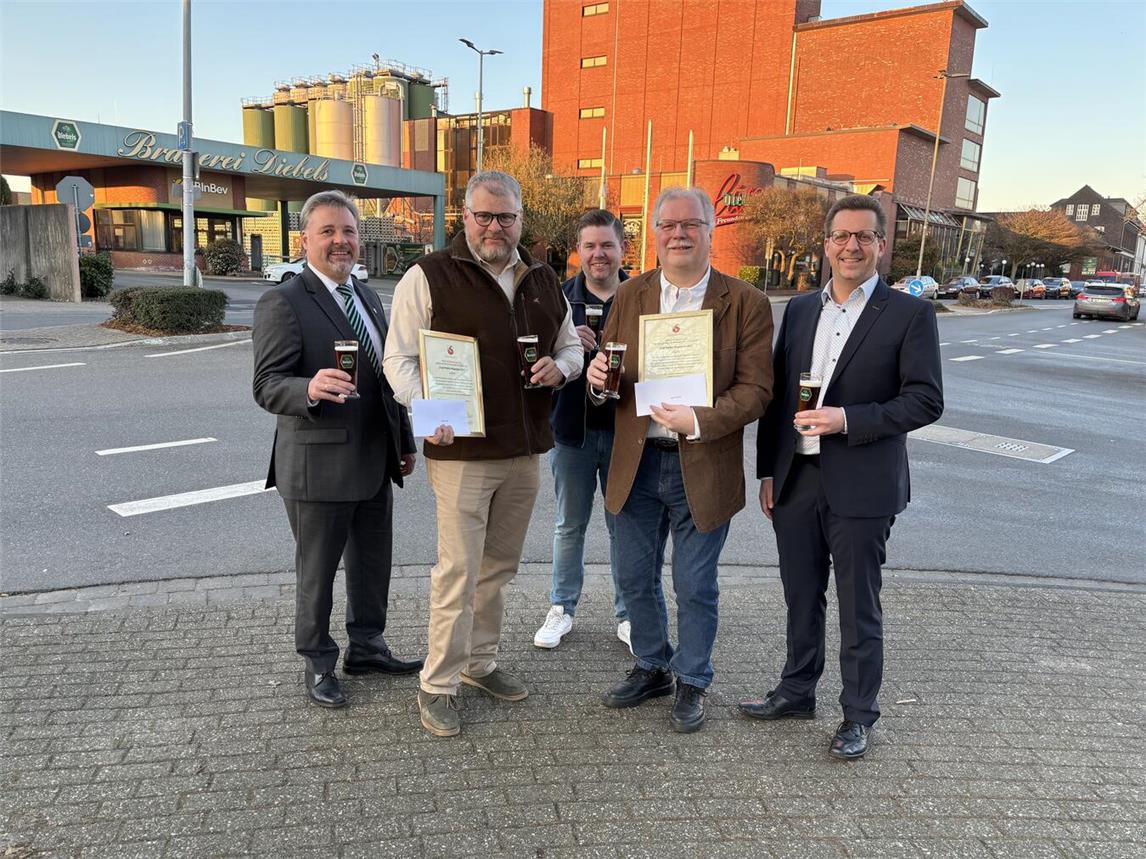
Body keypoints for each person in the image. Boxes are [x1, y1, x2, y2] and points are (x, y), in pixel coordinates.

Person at [740, 193, 944, 759]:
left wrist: (848, 419)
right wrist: (768, 471)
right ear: (826, 244)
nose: (851, 246)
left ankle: (857, 715)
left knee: (858, 605)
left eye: (863, 237)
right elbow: (780, 396)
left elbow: (925, 400)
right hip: (796, 478)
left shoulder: (910, 315)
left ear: (881, 244)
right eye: (841, 236)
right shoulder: (801, 309)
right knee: (801, 596)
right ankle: (796, 690)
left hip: (863, 484)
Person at [383, 171, 582, 737]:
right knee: (458, 571)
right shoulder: (428, 276)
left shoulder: (543, 278)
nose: (495, 227)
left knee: (497, 569)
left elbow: (570, 346)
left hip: (524, 451)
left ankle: (479, 662)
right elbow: (398, 359)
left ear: (520, 219)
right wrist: (426, 406)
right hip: (462, 453)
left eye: (506, 217)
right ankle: (437, 683)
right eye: (484, 216)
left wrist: (562, 368)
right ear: (465, 217)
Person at [585, 186, 774, 733]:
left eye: (690, 224)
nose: (679, 234)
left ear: (710, 232)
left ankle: (692, 677)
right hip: (637, 462)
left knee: (694, 584)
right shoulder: (630, 295)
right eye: (668, 225)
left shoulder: (746, 302)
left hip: (702, 459)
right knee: (633, 576)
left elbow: (757, 390)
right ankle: (652, 665)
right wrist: (598, 381)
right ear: (654, 234)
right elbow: (612, 374)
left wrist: (698, 419)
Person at [253, 189, 422, 709]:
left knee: (372, 564)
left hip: (375, 458)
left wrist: (405, 441)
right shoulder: (284, 301)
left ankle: (367, 647)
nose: (340, 241)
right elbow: (266, 385)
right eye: (327, 231)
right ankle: (318, 662)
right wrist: (307, 387)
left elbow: (388, 379)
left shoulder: (367, 296)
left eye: (348, 231)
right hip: (317, 466)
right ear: (304, 240)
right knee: (318, 573)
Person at [533, 209, 633, 652]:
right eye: (590, 245)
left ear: (622, 249)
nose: (599, 254)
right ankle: (562, 607)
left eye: (607, 245)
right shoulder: (558, 299)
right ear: (578, 250)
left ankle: (629, 614)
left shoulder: (640, 297)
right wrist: (565, 344)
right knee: (569, 526)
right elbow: (535, 360)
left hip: (626, 434)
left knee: (623, 527)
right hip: (571, 431)